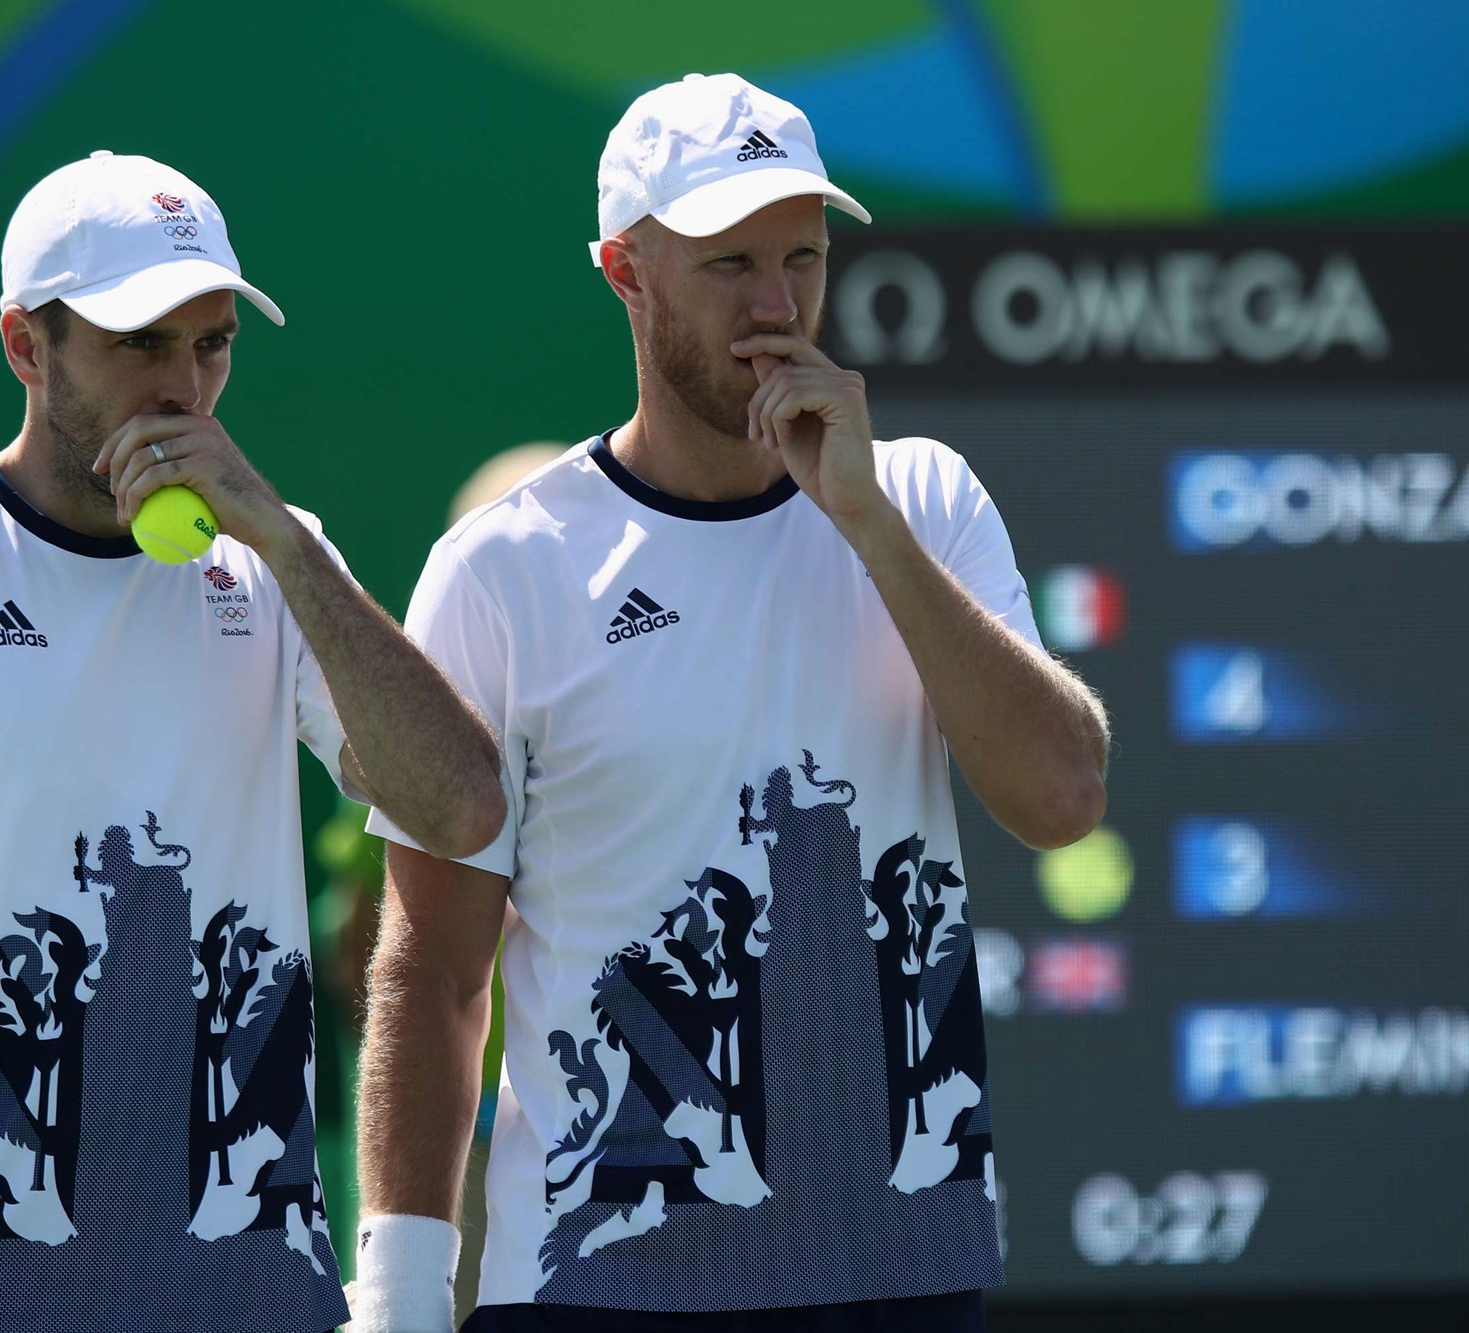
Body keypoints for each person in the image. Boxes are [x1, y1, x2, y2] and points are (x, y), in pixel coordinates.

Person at [349, 74, 1110, 1333]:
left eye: (800, 258)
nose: (776, 305)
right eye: (729, 264)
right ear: (623, 272)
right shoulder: (502, 567)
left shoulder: (921, 499)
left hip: (899, 1275)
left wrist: (866, 527)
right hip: (596, 1287)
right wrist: (402, 1301)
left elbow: (1061, 797)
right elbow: (432, 972)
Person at [0, 150, 503, 1333]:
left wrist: (283, 546)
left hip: (254, 1297)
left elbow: (461, 808)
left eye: (211, 342)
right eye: (139, 343)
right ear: (26, 346)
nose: (185, 385)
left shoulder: (275, 563)